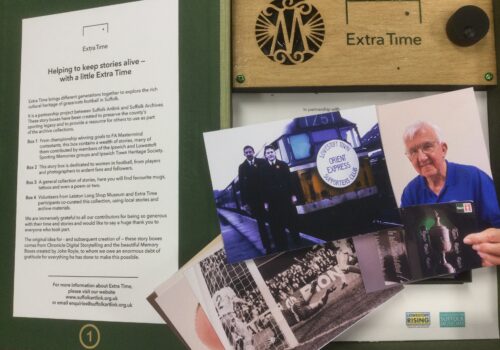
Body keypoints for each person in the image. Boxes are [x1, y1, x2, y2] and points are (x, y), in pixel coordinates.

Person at [400, 121, 500, 265]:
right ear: (409, 158)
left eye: (427, 146)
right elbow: (409, 238)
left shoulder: (475, 178)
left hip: (479, 264)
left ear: (443, 149)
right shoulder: (410, 192)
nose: (421, 157)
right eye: (413, 151)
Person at [261, 145, 300, 251]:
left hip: (286, 198)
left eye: (271, 152)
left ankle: (297, 242)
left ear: (275, 153)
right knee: (277, 224)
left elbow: (290, 181)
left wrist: (293, 195)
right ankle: (283, 246)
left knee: (292, 221)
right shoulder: (263, 169)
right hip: (273, 201)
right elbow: (263, 186)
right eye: (268, 153)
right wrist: (265, 202)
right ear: (265, 155)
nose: (270, 154)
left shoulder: (283, 165)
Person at [238, 145, 271, 253]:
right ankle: (267, 246)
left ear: (253, 151)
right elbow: (242, 186)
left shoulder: (262, 162)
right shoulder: (242, 167)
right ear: (244, 154)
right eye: (246, 152)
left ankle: (277, 241)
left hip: (267, 198)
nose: (248, 153)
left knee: (273, 221)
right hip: (254, 202)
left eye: (250, 151)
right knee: (261, 224)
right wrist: (244, 203)